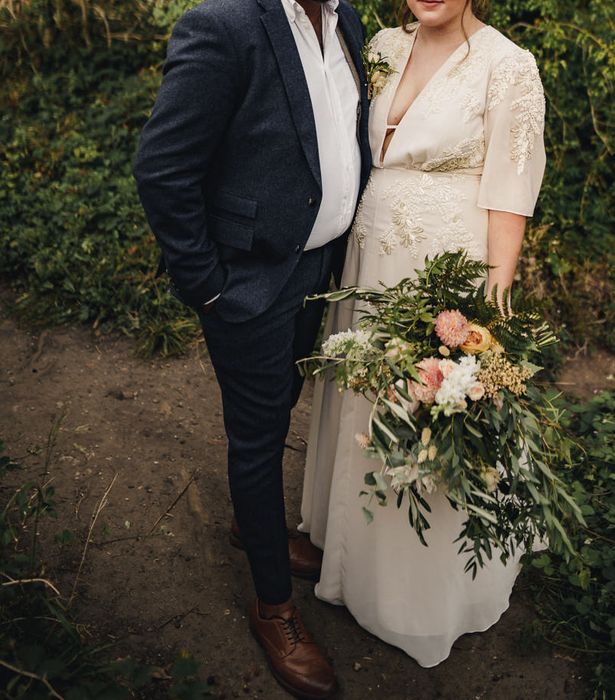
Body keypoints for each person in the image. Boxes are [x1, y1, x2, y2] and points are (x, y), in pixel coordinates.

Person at [133, 0, 371, 696]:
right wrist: (207, 286)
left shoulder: (347, 20)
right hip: (247, 282)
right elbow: (162, 169)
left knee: (282, 404)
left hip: (317, 270)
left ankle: (252, 521)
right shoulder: (225, 25)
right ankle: (274, 609)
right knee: (260, 435)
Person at [300, 0, 547, 668]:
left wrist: (487, 315)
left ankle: (418, 595)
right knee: (362, 398)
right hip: (366, 262)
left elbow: (511, 195)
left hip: (442, 276)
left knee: (427, 413)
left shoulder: (507, 66)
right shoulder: (380, 46)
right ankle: (345, 553)